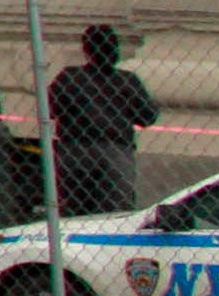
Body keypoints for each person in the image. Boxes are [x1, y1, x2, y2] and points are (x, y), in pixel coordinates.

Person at [46, 22, 156, 221]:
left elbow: (50, 110)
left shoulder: (69, 78)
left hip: (75, 149)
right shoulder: (126, 81)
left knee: (74, 212)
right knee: (115, 214)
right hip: (115, 150)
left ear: (86, 50)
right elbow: (147, 117)